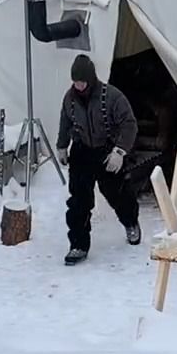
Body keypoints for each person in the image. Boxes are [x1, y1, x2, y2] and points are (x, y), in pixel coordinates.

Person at [55, 54, 140, 265]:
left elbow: (129, 124)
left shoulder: (111, 96)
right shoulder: (69, 99)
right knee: (79, 200)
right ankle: (78, 244)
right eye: (75, 81)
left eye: (82, 81)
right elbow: (65, 122)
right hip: (82, 151)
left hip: (107, 150)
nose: (79, 85)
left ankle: (130, 222)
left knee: (117, 193)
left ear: (91, 78)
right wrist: (62, 146)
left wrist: (120, 151)